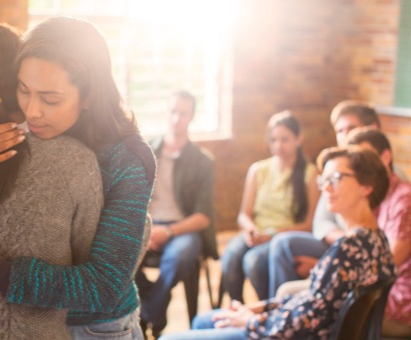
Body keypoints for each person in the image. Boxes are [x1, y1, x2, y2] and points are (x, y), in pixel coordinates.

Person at [0, 17, 156, 339]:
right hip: (27, 320)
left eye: (51, 99)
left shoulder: (125, 159)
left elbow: (103, 286)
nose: (32, 111)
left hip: (94, 325)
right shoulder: (9, 135)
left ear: (89, 97)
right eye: (23, 90)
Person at [160, 146, 396, 340]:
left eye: (335, 178)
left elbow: (306, 322)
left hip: (284, 335)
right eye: (323, 180)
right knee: (204, 320)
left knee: (169, 338)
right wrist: (261, 307)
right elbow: (314, 300)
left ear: (367, 186)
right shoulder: (375, 240)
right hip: (287, 326)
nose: (325, 187)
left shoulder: (349, 248)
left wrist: (251, 320)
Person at [267, 100, 406, 297]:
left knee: (275, 282)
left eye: (351, 128)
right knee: (280, 247)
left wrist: (332, 262)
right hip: (344, 248)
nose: (346, 136)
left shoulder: (397, 191)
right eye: (340, 131)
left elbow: (382, 262)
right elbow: (321, 223)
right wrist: (339, 254)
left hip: (360, 265)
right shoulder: (339, 169)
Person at [135, 90, 216, 337]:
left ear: (191, 117)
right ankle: (156, 308)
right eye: (172, 112)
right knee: (122, 250)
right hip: (146, 223)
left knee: (180, 256)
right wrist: (147, 228)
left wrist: (168, 231)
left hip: (182, 228)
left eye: (183, 114)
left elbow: (203, 217)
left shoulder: (203, 161)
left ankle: (151, 311)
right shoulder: (147, 149)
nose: (176, 119)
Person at [220, 111, 319, 302]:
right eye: (273, 140)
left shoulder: (310, 174)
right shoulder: (259, 170)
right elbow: (244, 214)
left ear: (299, 139)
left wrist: (271, 235)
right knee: (230, 258)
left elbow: (309, 224)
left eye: (285, 139)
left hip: (283, 237)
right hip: (256, 232)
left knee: (254, 262)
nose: (278, 145)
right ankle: (237, 308)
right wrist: (251, 229)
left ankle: (269, 309)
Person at [338, 128, 411, 337]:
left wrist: (334, 271)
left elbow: (388, 265)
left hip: (397, 303)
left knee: (319, 310)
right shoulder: (377, 193)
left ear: (385, 157)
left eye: (365, 160)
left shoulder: (404, 200)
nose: (361, 169)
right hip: (376, 292)